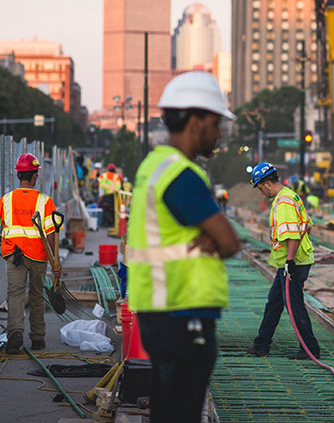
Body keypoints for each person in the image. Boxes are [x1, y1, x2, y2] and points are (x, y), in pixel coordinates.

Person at [127, 71, 241, 423]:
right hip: (182, 312)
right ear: (196, 120)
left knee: (166, 411)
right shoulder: (181, 174)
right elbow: (229, 241)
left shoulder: (153, 166)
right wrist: (215, 239)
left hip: (159, 310)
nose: (219, 133)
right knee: (181, 413)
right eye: (216, 123)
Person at [0, 153, 59, 354]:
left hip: (14, 256)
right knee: (37, 295)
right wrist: (55, 262)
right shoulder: (45, 202)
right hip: (38, 256)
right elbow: (51, 235)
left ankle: (15, 334)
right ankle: (38, 339)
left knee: (15, 295)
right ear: (34, 176)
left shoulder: (6, 200)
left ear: (19, 176)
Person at [246, 161, 321, 360]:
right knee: (274, 303)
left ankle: (310, 349)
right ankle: (262, 344)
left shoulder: (284, 201)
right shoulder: (289, 196)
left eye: (260, 188)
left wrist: (289, 261)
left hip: (293, 263)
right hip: (289, 263)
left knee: (294, 305)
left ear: (267, 184)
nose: (262, 192)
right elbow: (307, 226)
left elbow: (293, 235)